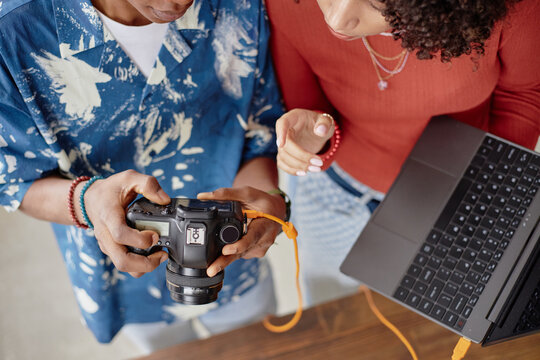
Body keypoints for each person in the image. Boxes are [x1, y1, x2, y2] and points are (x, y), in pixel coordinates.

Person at [0, 0, 286, 353]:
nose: (177, 3)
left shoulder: (239, 6)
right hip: (124, 275)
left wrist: (266, 202)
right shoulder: (14, 32)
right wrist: (87, 201)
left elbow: (259, 133)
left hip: (237, 262)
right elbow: (13, 180)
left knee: (258, 348)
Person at [265, 0, 540, 307]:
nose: (337, 19)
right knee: (329, 306)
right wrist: (314, 141)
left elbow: (523, 95)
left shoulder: (513, 8)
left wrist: (480, 191)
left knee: (434, 316)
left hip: (458, 194)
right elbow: (310, 108)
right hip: (336, 191)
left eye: (374, 4)